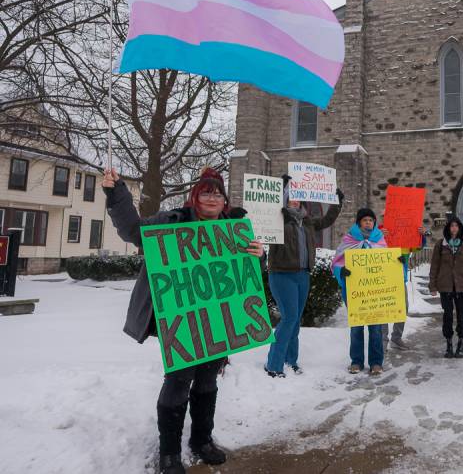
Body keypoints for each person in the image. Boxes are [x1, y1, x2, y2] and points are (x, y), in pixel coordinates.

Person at [103, 167, 265, 474]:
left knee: (207, 381)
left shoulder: (235, 228)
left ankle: (201, 441)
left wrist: (258, 255)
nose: (212, 197)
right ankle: (169, 453)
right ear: (195, 196)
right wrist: (116, 193)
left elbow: (246, 274)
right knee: (178, 382)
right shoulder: (172, 221)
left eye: (218, 193)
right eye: (206, 192)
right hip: (181, 319)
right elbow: (133, 231)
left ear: (225, 200)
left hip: (218, 317)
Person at [264, 176, 343, 378]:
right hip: (281, 274)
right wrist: (280, 187)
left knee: (295, 319)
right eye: (291, 198)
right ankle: (273, 364)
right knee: (289, 318)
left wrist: (337, 202)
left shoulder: (307, 222)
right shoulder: (276, 219)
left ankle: (291, 360)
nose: (295, 201)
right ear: (285, 199)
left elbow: (327, 221)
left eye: (298, 198)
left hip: (302, 275)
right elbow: (267, 207)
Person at [332, 208, 401, 376]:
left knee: (375, 327)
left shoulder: (380, 239)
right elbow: (336, 261)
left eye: (371, 220)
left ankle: (376, 362)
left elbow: (388, 263)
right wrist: (341, 271)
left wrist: (399, 261)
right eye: (365, 220)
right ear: (359, 222)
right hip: (355, 291)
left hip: (374, 293)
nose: (368, 222)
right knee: (356, 326)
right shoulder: (349, 239)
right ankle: (356, 361)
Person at [429, 216, 463, 359]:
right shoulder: (441, 245)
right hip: (446, 286)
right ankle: (449, 344)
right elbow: (435, 266)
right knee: (448, 316)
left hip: (462, 287)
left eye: (456, 226)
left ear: (460, 228)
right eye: (451, 226)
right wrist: (432, 285)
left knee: (462, 316)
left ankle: (461, 343)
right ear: (448, 228)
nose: (454, 228)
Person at [380, 224, 428, 351]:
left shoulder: (408, 232)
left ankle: (396, 338)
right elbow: (369, 247)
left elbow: (418, 247)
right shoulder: (380, 230)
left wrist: (421, 235)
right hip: (382, 279)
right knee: (384, 310)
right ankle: (382, 340)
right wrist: (379, 235)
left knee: (403, 308)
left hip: (400, 278)